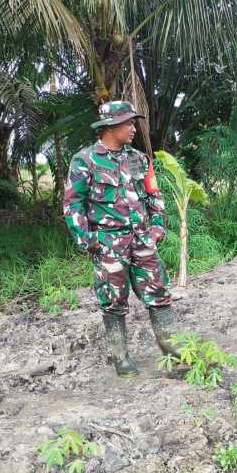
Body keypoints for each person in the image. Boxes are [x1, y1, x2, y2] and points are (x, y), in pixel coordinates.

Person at [63, 101, 181, 378]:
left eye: (133, 122)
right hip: (108, 245)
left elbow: (154, 196)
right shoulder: (86, 160)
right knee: (113, 301)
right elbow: (72, 205)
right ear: (110, 126)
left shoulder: (139, 159)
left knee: (160, 296)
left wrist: (158, 228)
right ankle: (122, 358)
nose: (133, 128)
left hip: (143, 241)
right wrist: (89, 241)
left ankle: (174, 354)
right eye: (128, 123)